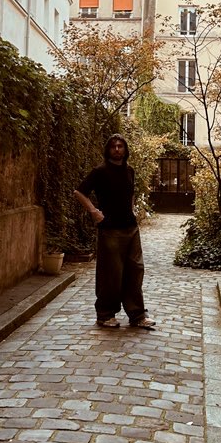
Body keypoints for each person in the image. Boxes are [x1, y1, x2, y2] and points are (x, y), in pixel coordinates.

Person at [74, 134, 156, 329]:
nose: (117, 149)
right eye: (113, 146)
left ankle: (137, 315)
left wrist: (132, 209)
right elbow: (79, 192)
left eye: (120, 146)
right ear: (108, 150)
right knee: (111, 274)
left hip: (131, 227)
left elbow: (131, 193)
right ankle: (105, 314)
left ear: (125, 150)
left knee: (135, 270)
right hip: (110, 230)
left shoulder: (129, 171)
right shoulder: (100, 171)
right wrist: (94, 211)